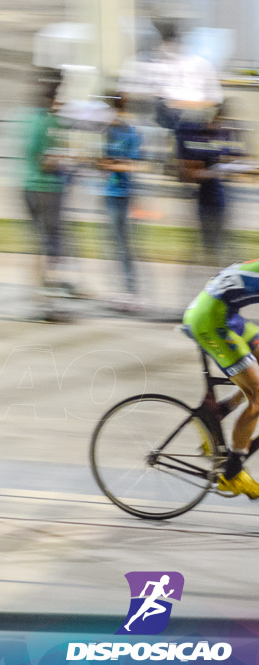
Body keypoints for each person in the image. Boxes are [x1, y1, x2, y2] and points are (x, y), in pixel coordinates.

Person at [182, 260, 259, 498]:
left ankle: (217, 411)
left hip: (224, 315)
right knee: (258, 395)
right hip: (211, 321)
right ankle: (232, 473)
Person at [21, 68, 71, 319]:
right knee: (51, 248)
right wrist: (67, 160)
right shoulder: (48, 122)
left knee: (41, 246)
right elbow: (44, 160)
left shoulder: (30, 117)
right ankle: (47, 303)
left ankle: (41, 299)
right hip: (46, 188)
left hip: (30, 185)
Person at [177, 102, 247, 266]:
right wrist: (213, 171)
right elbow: (189, 172)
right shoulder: (200, 138)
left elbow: (235, 160)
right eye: (216, 121)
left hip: (221, 197)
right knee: (207, 243)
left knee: (220, 241)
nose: (217, 126)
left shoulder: (223, 137)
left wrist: (232, 166)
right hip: (205, 197)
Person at [98, 92, 144, 311]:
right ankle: (120, 291)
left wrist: (112, 164)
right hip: (108, 193)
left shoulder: (129, 133)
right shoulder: (107, 132)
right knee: (113, 245)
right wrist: (108, 164)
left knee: (124, 246)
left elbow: (134, 164)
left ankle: (130, 292)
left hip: (122, 194)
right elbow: (99, 162)